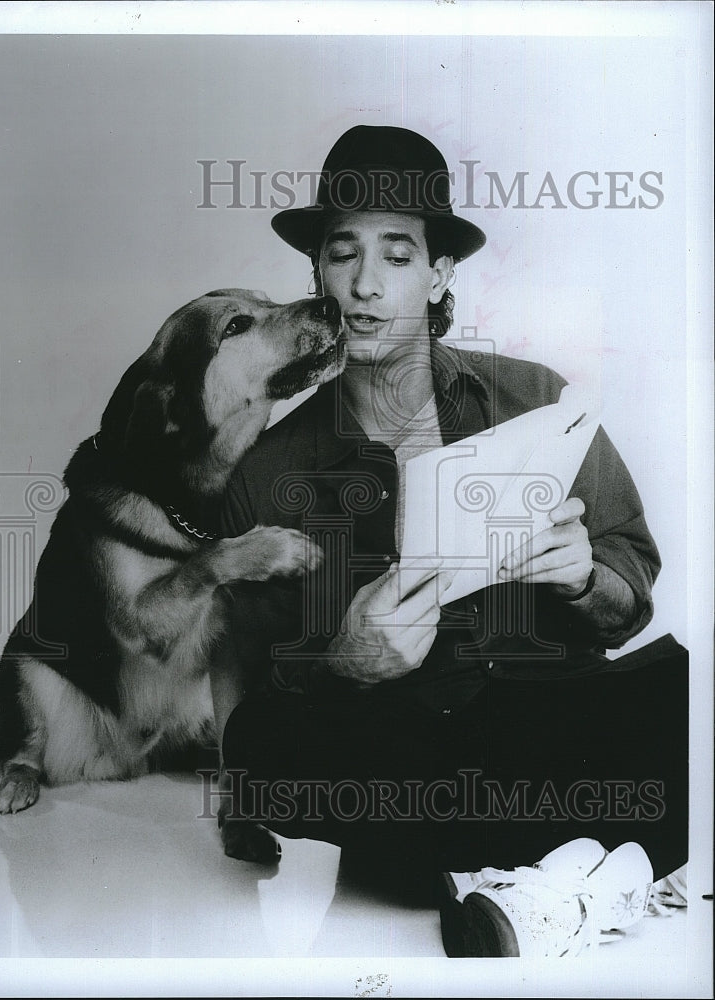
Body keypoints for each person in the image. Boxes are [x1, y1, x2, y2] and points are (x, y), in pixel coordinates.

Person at [216, 125, 688, 957]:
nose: (366, 285)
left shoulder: (533, 398)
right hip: (403, 750)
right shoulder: (268, 468)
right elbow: (247, 695)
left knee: (681, 694)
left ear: (437, 273)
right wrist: (343, 663)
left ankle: (515, 885)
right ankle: (600, 868)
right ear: (317, 272)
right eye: (342, 254)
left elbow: (629, 601)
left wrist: (583, 578)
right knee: (266, 755)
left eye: (397, 256)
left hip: (549, 719)